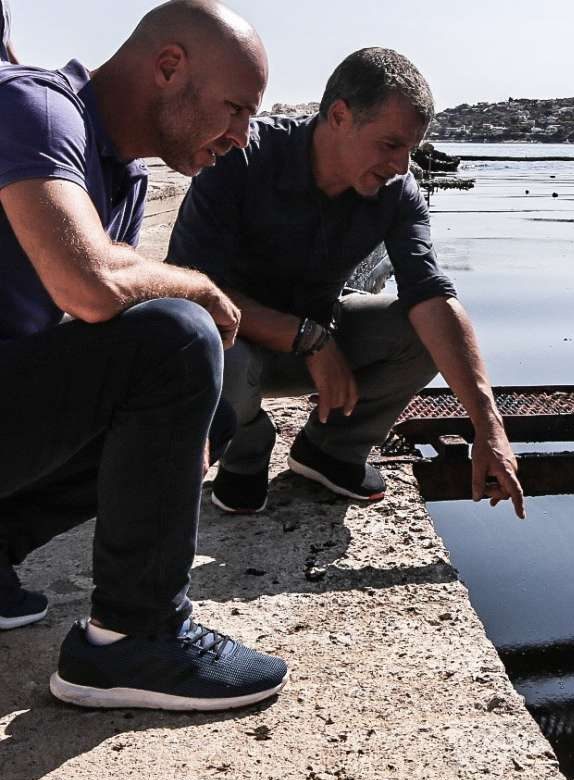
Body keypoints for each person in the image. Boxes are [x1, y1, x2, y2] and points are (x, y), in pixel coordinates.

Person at [0, 0, 288, 710]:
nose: (242, 139)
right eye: (236, 110)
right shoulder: (34, 107)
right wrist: (198, 288)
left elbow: (88, 353)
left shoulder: (122, 177)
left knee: (207, 408)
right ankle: (133, 638)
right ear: (168, 68)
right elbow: (89, 285)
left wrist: (164, 443)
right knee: (181, 333)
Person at [168, 47, 526, 519]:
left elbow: (432, 296)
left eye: (411, 150)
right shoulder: (243, 157)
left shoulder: (398, 193)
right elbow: (189, 288)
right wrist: (309, 339)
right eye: (390, 145)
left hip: (320, 336)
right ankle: (247, 448)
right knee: (207, 339)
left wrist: (488, 425)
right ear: (339, 115)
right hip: (237, 343)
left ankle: (330, 452)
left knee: (425, 333)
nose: (402, 165)